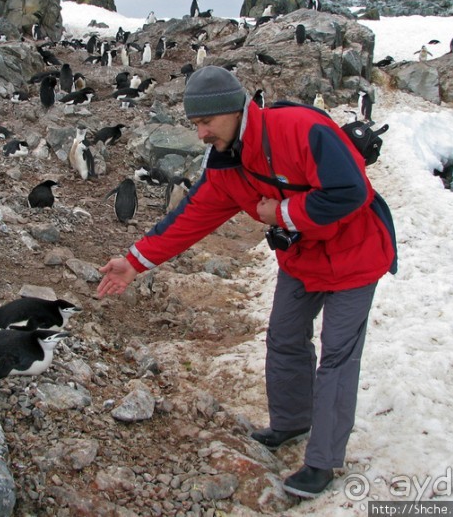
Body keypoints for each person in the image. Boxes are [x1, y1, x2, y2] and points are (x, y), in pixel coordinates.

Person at [97, 65, 397, 499]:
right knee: (284, 337)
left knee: (337, 355)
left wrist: (284, 213)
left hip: (356, 254)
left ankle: (323, 461)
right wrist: (133, 262)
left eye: (206, 121)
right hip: (303, 258)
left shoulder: (301, 128)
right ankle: (292, 421)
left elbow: (352, 191)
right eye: (195, 124)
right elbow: (190, 217)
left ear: (234, 110)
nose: (200, 134)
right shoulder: (227, 167)